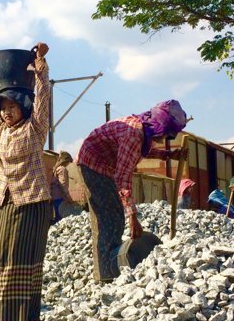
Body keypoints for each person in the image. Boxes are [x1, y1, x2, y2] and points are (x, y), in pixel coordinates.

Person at [0, 42, 52, 321]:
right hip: (4, 201)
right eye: (3, 108)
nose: (6, 113)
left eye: (11, 107)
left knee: (25, 258)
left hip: (31, 202)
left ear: (23, 106)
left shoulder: (35, 128)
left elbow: (44, 98)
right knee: (6, 257)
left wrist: (40, 68)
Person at [76, 100, 189, 282]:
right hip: (92, 164)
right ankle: (105, 275)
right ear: (158, 125)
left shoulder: (142, 131)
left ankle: (109, 268)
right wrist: (132, 216)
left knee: (114, 217)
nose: (163, 139)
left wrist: (168, 155)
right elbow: (123, 178)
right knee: (108, 219)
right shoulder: (133, 134)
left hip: (105, 165)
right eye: (165, 134)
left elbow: (142, 151)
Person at [50, 151, 74, 223]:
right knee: (61, 220)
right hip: (60, 199)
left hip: (54, 198)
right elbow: (63, 183)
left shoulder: (55, 169)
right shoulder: (62, 169)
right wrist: (68, 196)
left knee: (56, 220)